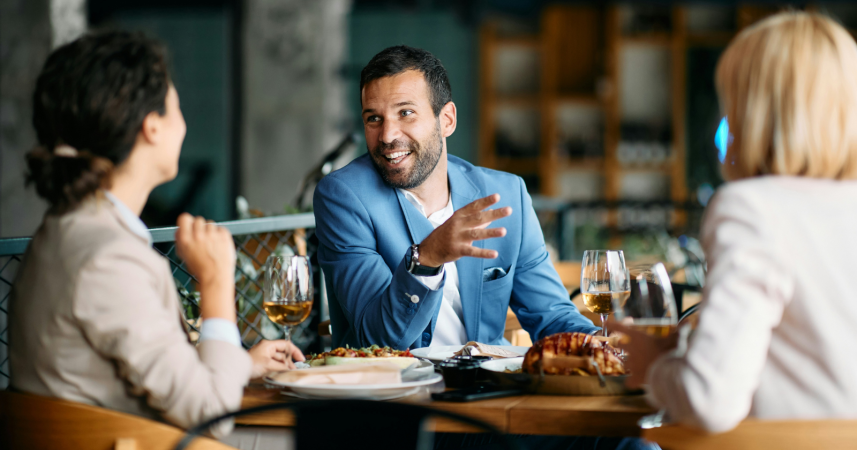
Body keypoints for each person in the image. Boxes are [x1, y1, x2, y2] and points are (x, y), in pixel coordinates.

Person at [8, 30, 303, 438]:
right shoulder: (109, 259)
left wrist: (241, 363)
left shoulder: (62, 233)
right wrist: (216, 280)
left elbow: (129, 368)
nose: (183, 124)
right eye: (176, 108)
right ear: (152, 127)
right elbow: (211, 413)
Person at [612, 11, 857, 433]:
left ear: (754, 114)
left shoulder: (753, 208)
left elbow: (709, 398)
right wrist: (685, 353)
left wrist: (650, 364)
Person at [314, 45, 599, 350]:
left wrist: (599, 343)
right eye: (374, 118)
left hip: (490, 377)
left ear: (447, 120)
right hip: (398, 380)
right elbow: (377, 338)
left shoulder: (507, 195)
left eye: (405, 113)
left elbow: (553, 316)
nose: (387, 135)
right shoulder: (343, 197)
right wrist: (426, 259)